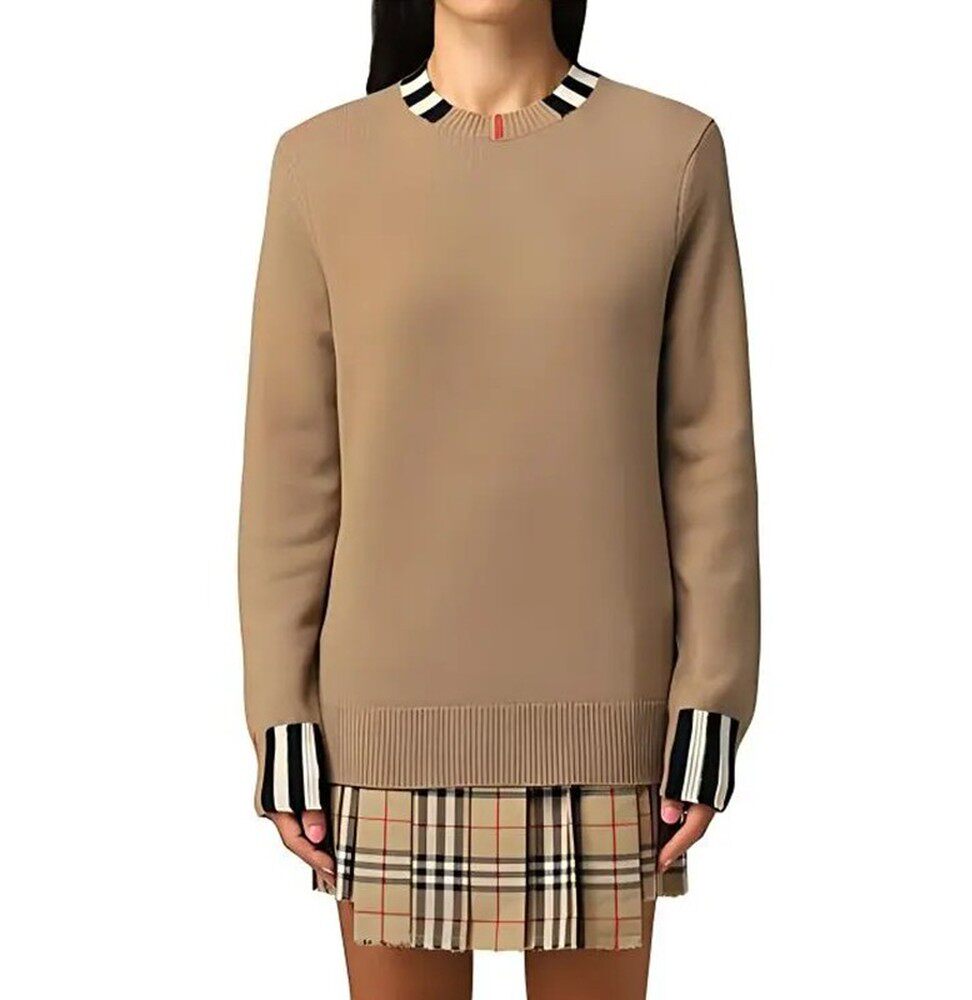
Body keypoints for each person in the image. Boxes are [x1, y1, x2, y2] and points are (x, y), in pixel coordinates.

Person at [239, 1, 759, 996]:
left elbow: (708, 456)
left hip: (613, 736)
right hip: (379, 736)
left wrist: (712, 709)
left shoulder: (673, 153)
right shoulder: (320, 165)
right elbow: (290, 469)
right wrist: (281, 720)